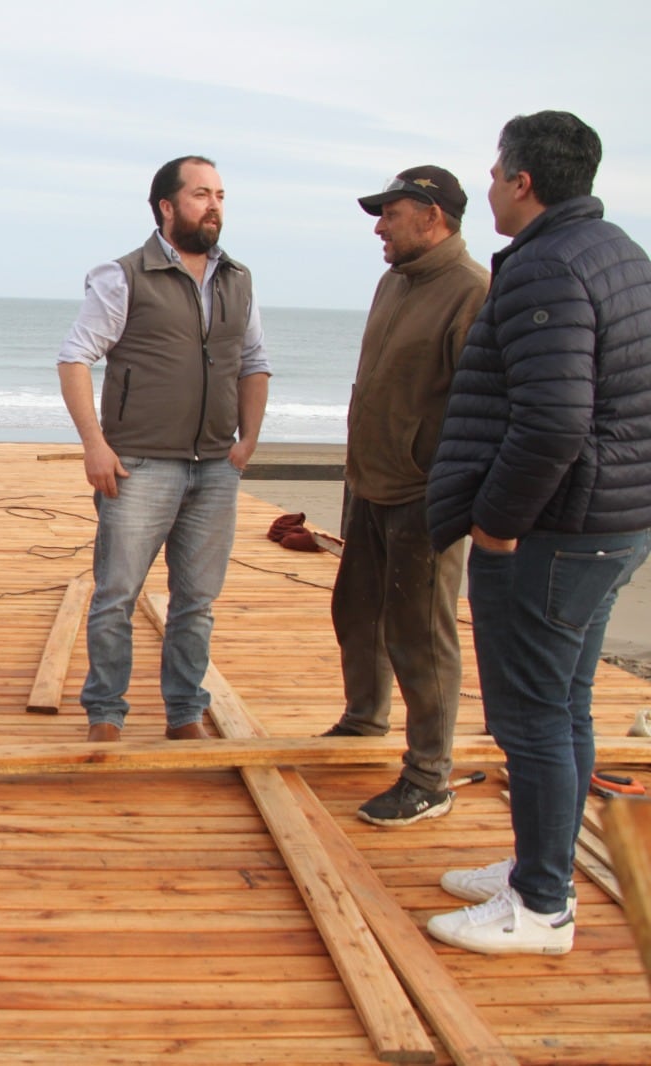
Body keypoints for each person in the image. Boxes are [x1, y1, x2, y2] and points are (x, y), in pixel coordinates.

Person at [425, 111, 651, 954]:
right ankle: (535, 864)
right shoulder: (617, 252)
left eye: (494, 172)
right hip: (611, 520)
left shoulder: (549, 268)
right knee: (568, 705)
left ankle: (541, 908)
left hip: (555, 530)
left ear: (523, 181)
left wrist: (495, 525)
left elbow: (555, 421)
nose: (487, 185)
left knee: (532, 718)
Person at [57, 156, 271, 743]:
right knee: (116, 596)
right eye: (202, 195)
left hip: (216, 466)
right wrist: (94, 446)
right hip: (140, 463)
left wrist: (249, 438)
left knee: (196, 602)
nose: (215, 206)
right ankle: (105, 713)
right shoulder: (123, 275)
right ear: (167, 206)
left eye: (221, 195)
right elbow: (75, 358)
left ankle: (184, 713)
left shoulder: (239, 279)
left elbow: (254, 362)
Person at [324, 167, 490, 827]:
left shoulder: (472, 291)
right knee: (356, 612)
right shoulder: (394, 282)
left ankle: (428, 778)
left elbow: (481, 409)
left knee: (421, 635)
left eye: (389, 214)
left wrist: (456, 490)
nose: (378, 227)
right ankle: (365, 720)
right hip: (369, 481)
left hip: (427, 494)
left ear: (431, 215)